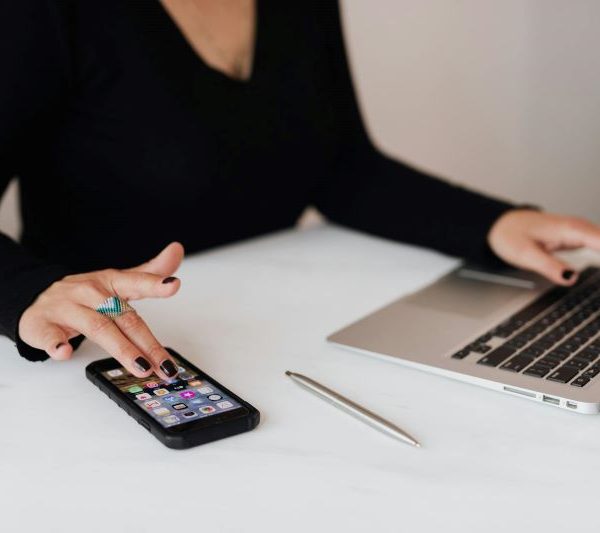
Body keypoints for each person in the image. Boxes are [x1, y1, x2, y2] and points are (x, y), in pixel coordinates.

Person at [2, 0, 600, 381]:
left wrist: (496, 224)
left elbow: (341, 166)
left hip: (279, 338)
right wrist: (30, 293)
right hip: (99, 355)